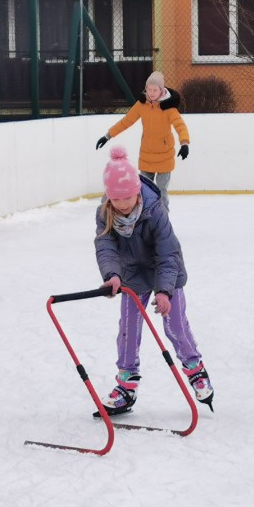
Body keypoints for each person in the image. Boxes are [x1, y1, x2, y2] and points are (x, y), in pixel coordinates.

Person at [94, 146, 214, 414]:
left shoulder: (154, 210)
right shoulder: (105, 213)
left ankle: (195, 369)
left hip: (165, 272)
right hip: (133, 275)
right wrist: (112, 275)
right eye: (117, 199)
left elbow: (168, 253)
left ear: (137, 191)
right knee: (128, 329)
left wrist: (164, 291)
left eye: (128, 198)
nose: (123, 205)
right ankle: (126, 385)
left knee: (175, 326)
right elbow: (106, 247)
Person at [94, 71, 189, 212]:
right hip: (146, 155)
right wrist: (108, 136)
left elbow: (180, 126)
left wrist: (184, 143)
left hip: (165, 156)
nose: (151, 93)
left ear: (161, 90)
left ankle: (163, 220)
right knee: (144, 191)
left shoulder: (168, 108)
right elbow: (126, 121)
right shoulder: (142, 105)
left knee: (161, 190)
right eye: (149, 89)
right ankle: (147, 219)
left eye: (155, 90)